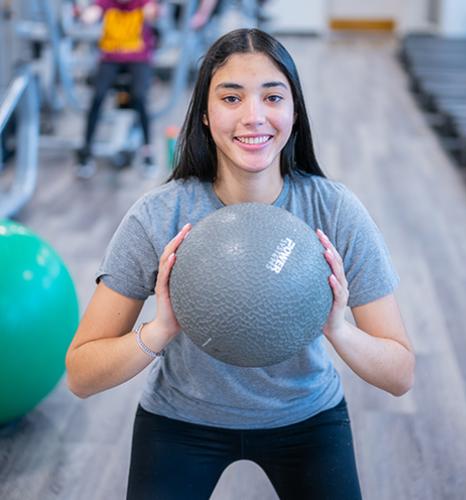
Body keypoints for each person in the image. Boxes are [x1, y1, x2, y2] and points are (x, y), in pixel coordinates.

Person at [66, 28, 415, 499]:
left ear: (294, 112)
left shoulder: (333, 210)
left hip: (306, 418)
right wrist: (161, 329)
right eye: (231, 97)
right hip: (181, 421)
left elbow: (399, 375)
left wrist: (339, 328)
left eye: (273, 96)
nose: (254, 117)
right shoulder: (158, 215)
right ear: (205, 115)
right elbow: (81, 375)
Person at [75, 0, 159, 178]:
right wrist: (85, 15)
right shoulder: (106, 3)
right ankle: (86, 152)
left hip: (138, 58)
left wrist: (153, 11)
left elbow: (152, 11)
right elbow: (92, 14)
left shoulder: (142, 3)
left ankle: (147, 152)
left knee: (139, 97)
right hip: (110, 58)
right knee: (97, 97)